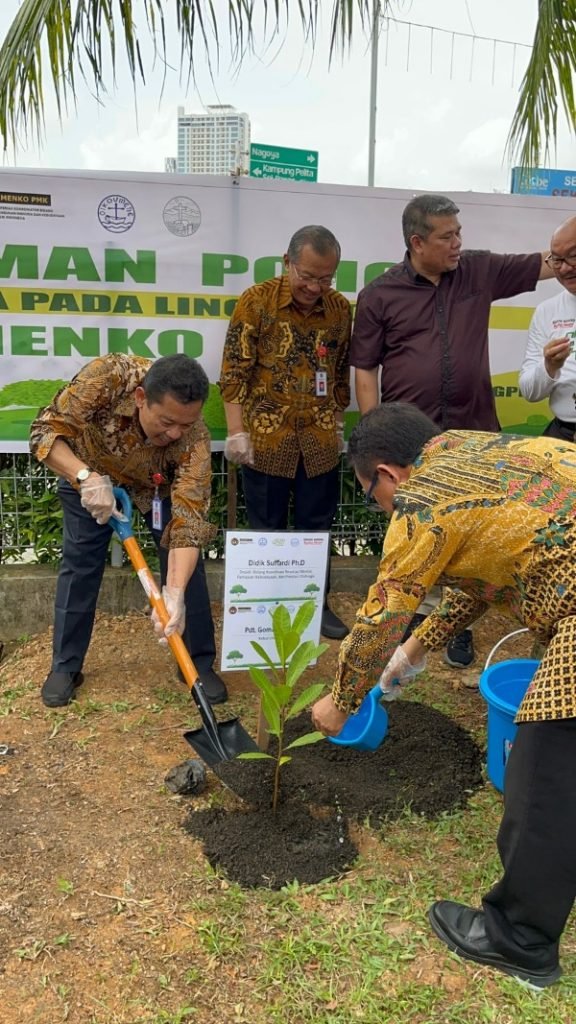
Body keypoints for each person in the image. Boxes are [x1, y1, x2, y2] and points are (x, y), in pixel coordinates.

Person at [312, 401, 576, 989]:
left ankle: (521, 942)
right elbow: (487, 570)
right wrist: (419, 647)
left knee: (546, 768)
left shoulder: (420, 500)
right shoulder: (473, 453)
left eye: (372, 496)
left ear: (387, 474)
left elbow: (382, 614)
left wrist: (341, 699)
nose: (382, 509)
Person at [351, 192, 554, 669]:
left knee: (467, 532)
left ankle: (456, 628)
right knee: (417, 529)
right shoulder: (380, 294)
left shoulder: (479, 271)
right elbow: (364, 370)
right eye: (448, 236)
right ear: (417, 242)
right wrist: (373, 433)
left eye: (460, 233)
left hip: (474, 433)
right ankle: (409, 620)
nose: (459, 243)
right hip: (410, 443)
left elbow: (546, 263)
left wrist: (565, 249)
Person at [29, 353, 228, 708]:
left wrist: (175, 593)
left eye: (185, 424)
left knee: (184, 569)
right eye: (167, 422)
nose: (174, 434)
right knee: (80, 565)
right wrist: (84, 477)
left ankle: (196, 663)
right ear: (140, 399)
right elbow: (45, 431)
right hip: (89, 472)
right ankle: (65, 666)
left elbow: (190, 521)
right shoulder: (107, 377)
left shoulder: (193, 437)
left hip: (157, 488)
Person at [218, 224, 352, 640]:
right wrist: (236, 431)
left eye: (325, 278)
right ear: (287, 262)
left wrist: (338, 413)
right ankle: (267, 608)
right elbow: (233, 372)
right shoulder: (256, 302)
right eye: (307, 276)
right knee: (268, 528)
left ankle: (315, 605)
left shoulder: (340, 309)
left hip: (319, 440)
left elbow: (342, 369)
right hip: (266, 439)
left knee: (317, 527)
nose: (315, 286)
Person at [519, 214, 576, 440]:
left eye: (573, 257)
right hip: (564, 435)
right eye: (556, 260)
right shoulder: (547, 311)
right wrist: (549, 367)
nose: (563, 269)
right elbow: (529, 391)